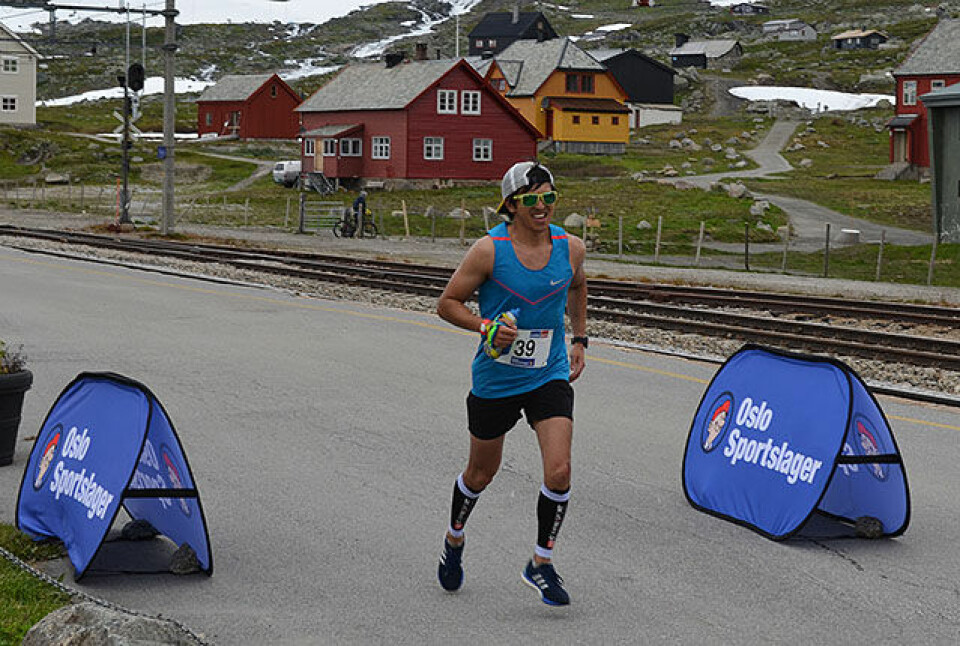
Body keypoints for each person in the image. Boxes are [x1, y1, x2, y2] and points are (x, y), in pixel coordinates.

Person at [435, 160, 587, 606]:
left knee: (559, 471)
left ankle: (541, 561)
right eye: (531, 199)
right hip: (497, 377)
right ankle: (454, 537)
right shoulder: (488, 251)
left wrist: (579, 338)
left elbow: (578, 286)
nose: (542, 207)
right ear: (511, 205)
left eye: (549, 198)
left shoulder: (570, 247)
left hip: (548, 372)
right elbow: (447, 303)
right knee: (481, 473)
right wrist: (484, 327)